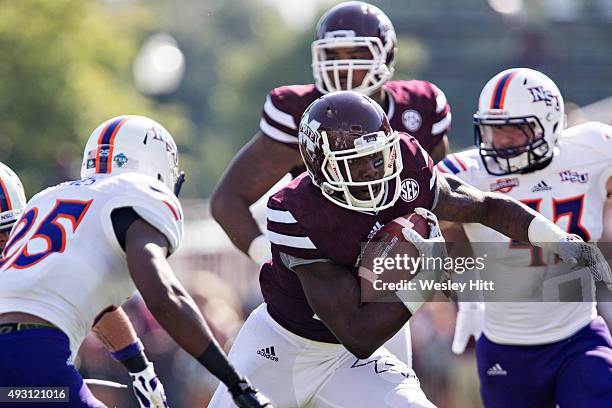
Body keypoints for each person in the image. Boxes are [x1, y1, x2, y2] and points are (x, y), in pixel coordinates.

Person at [208, 91, 610, 407]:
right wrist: (425, 276)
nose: (371, 173)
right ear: (320, 168)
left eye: (376, 158)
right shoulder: (294, 211)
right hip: (282, 347)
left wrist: (559, 240)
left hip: (350, 364)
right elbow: (356, 332)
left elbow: (485, 205)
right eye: (354, 163)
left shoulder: (406, 165)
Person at [211, 0, 451, 367]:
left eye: (356, 52)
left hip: (386, 280)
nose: (343, 65)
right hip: (320, 278)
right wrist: (270, 257)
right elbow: (228, 199)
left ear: (386, 55)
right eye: (333, 54)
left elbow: (440, 200)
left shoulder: (420, 106)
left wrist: (451, 276)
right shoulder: (299, 111)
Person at [0, 116, 271, 408]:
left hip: (23, 371)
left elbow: (98, 307)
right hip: (36, 357)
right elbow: (163, 296)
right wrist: (235, 382)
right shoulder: (138, 195)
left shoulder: (47, 199)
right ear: (157, 170)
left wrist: (140, 368)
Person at [439, 68, 612, 407]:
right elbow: (423, 234)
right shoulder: (465, 173)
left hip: (578, 336)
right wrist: (467, 296)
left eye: (513, 131)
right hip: (506, 346)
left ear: (548, 125)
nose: (500, 141)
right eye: (492, 130)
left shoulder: (595, 148)